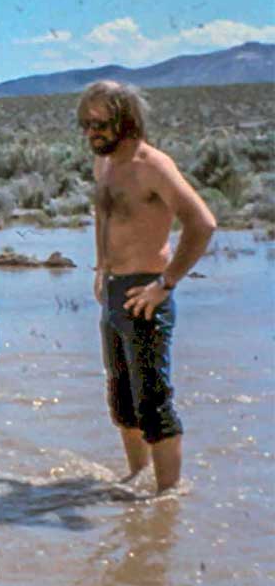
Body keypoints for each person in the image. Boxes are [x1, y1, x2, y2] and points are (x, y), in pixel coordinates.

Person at [79, 80, 215, 493]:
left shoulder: (151, 165)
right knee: (122, 400)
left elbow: (203, 223)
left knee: (153, 401)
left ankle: (167, 497)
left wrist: (166, 284)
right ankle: (136, 480)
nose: (91, 133)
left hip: (146, 292)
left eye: (99, 123)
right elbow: (103, 218)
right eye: (85, 124)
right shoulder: (103, 163)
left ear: (126, 119)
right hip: (116, 290)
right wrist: (101, 269)